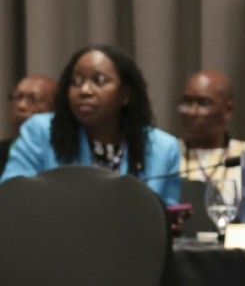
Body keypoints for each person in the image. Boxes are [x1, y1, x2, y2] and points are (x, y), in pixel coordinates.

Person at [0, 45, 181, 205]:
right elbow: (13, 195)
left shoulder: (163, 148)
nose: (85, 91)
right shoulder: (40, 132)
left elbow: (166, 211)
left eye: (99, 81)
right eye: (76, 82)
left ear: (126, 94)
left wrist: (171, 220)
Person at [177, 69, 245, 184]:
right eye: (187, 102)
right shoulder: (168, 155)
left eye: (203, 103)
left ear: (228, 110)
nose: (192, 112)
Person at [0, 75, 57, 174]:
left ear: (54, 107)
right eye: (17, 97)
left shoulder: (62, 153)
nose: (21, 105)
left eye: (32, 100)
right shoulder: (2, 150)